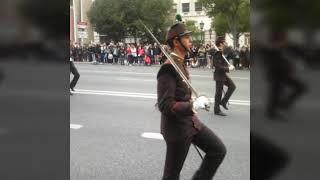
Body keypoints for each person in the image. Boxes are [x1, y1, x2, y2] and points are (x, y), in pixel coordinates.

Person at [157, 22, 226, 180]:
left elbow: (180, 94)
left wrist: (195, 99)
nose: (190, 40)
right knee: (171, 175)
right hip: (177, 130)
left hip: (190, 123)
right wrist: (193, 105)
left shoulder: (179, 63)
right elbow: (165, 105)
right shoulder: (168, 68)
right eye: (186, 37)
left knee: (218, 150)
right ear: (176, 41)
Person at [212, 36, 236, 116]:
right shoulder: (217, 53)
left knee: (232, 86)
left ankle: (223, 101)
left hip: (223, 75)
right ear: (221, 43)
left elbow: (229, 57)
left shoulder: (222, 52)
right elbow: (217, 66)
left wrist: (229, 65)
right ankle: (217, 110)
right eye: (224, 42)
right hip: (219, 75)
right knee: (218, 93)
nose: (225, 43)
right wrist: (228, 68)